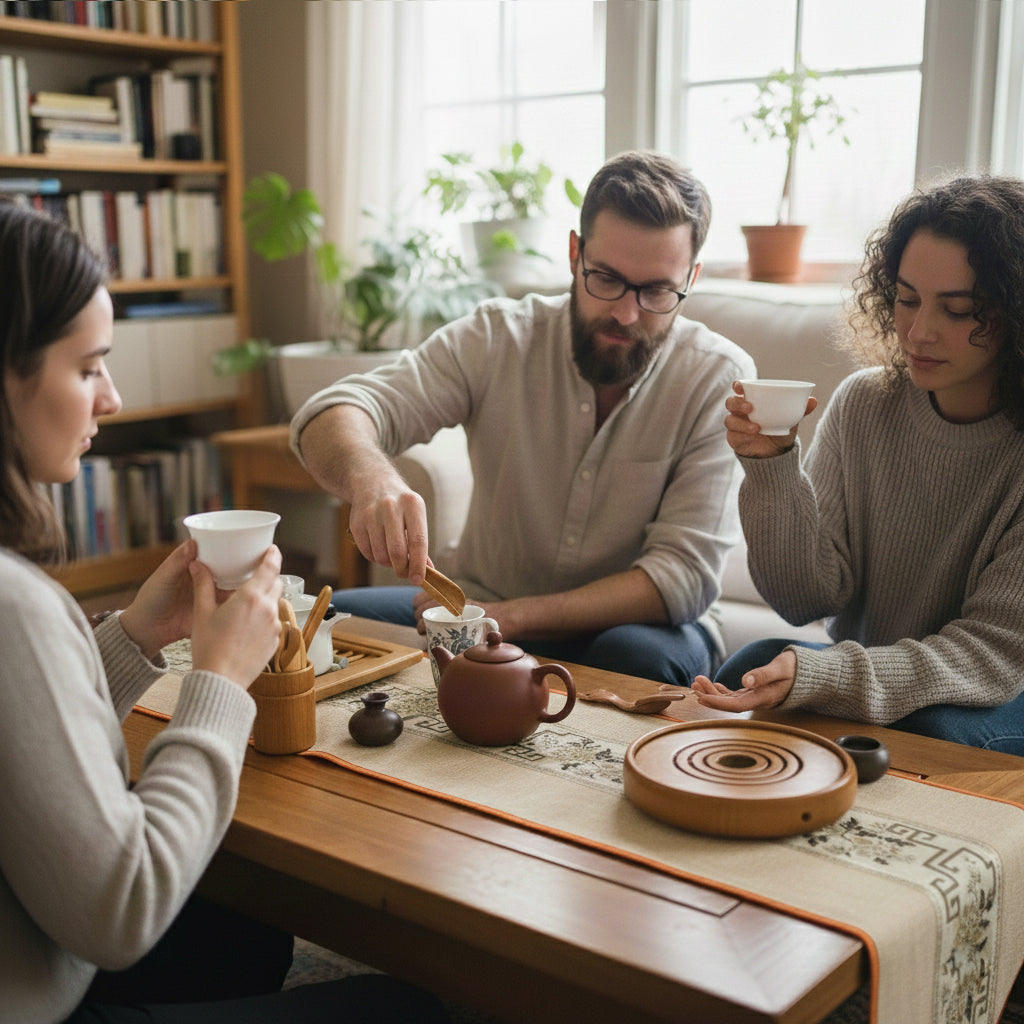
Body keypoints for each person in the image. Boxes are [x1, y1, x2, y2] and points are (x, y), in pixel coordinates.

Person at [0, 199, 449, 1023]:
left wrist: (136, 635)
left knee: (243, 928)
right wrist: (218, 682)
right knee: (414, 1008)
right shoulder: (13, 609)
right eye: (88, 366)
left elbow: (22, 739)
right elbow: (121, 911)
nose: (112, 398)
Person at [291, 150, 755, 685]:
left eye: (656, 292)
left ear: (690, 278)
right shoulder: (497, 337)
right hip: (485, 611)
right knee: (333, 620)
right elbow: (329, 413)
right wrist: (370, 478)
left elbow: (680, 581)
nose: (626, 314)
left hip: (638, 628)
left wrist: (512, 617)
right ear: (575, 253)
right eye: (605, 278)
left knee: (637, 658)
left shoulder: (719, 377)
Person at [691, 175, 1024, 755]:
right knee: (752, 662)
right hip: (876, 668)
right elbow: (806, 598)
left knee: (930, 731)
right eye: (907, 298)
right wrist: (772, 467)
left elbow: (991, 654)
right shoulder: (866, 403)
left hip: (998, 689)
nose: (919, 332)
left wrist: (829, 676)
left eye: (960, 310)